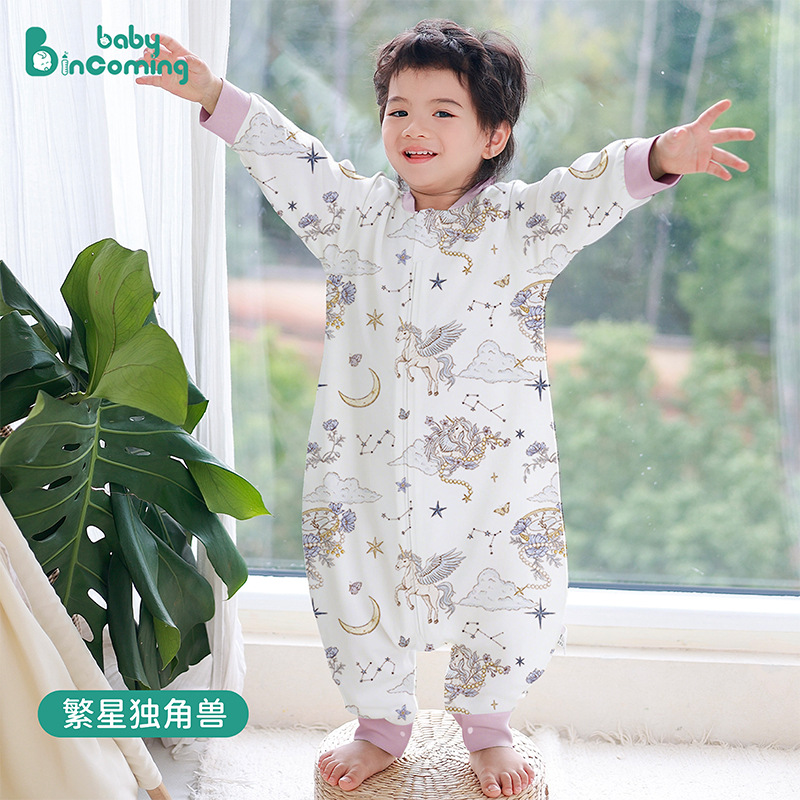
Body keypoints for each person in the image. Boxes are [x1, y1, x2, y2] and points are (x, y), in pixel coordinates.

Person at [137, 18, 754, 798]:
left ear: (494, 136)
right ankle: (379, 724)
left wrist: (662, 155)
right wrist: (214, 94)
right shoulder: (356, 217)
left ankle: (488, 726)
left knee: (506, 584)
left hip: (492, 477)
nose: (414, 128)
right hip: (364, 468)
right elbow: (292, 156)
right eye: (398, 110)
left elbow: (588, 190)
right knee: (355, 581)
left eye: (441, 111)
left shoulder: (519, 225)